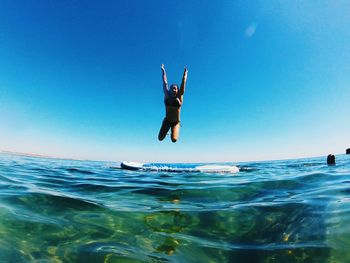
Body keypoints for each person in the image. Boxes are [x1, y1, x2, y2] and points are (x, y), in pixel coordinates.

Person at [158, 64, 188, 142]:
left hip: (175, 122)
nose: (173, 90)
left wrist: (185, 75)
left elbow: (183, 85)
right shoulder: (167, 95)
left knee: (174, 139)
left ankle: (173, 131)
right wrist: (163, 71)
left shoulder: (179, 97)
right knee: (160, 138)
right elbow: (165, 83)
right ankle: (167, 130)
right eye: (171, 89)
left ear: (177, 91)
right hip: (167, 121)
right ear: (169, 90)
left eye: (175, 89)